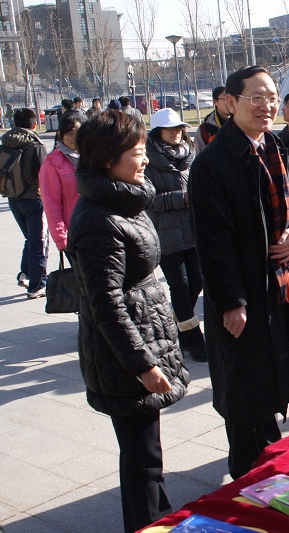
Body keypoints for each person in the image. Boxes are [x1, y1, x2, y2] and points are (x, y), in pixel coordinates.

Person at [67, 110, 190, 533]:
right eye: (137, 152)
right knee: (142, 457)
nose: (144, 160)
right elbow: (106, 304)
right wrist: (144, 365)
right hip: (124, 355)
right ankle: (147, 524)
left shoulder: (123, 200)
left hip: (144, 334)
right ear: (107, 159)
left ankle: (157, 517)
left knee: (147, 452)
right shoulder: (98, 220)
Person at [189, 66, 289, 480]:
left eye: (272, 97)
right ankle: (246, 481)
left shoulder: (274, 147)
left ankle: (271, 466)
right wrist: (231, 303)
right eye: (255, 97)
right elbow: (212, 244)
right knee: (244, 394)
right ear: (230, 102)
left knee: (272, 383)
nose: (267, 106)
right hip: (244, 296)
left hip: (278, 287)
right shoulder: (212, 164)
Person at [144, 108, 206, 363]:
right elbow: (148, 200)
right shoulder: (148, 161)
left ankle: (181, 327)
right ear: (158, 132)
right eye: (169, 129)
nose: (176, 133)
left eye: (179, 128)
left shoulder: (190, 155)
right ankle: (194, 339)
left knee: (197, 283)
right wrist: (182, 199)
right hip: (166, 235)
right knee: (180, 287)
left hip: (192, 231)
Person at [1, 108, 48, 297]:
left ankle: (26, 274)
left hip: (13, 198)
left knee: (31, 238)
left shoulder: (6, 142)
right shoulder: (35, 146)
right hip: (34, 200)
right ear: (34, 124)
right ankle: (37, 285)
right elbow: (44, 176)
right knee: (39, 241)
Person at [39, 110, 87, 253]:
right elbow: (51, 204)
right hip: (74, 235)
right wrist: (61, 238)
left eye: (78, 133)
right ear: (60, 134)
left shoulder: (91, 157)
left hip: (98, 229)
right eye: (70, 133)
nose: (74, 138)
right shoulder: (52, 163)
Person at [194, 86, 230, 151]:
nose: (229, 102)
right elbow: (200, 154)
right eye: (224, 98)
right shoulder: (204, 130)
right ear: (215, 102)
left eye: (231, 98)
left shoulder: (243, 124)